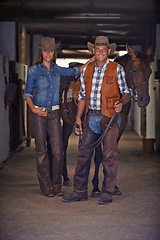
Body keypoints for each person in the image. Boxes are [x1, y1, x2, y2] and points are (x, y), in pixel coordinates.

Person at [63, 36, 131, 205]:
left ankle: (107, 193)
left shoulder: (117, 69)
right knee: (83, 155)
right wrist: (79, 118)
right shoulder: (87, 70)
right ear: (93, 51)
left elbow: (127, 93)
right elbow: (82, 97)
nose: (101, 52)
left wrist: (121, 104)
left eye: (104, 49)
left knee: (109, 156)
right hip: (91, 118)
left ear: (109, 51)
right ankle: (79, 191)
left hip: (109, 118)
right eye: (98, 49)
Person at [23, 36, 94, 197]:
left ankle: (57, 185)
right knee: (41, 151)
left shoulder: (57, 70)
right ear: (41, 52)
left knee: (58, 149)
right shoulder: (33, 71)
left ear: (54, 52)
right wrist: (33, 109)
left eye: (51, 51)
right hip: (38, 114)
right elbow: (27, 93)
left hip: (54, 113)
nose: (48, 53)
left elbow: (78, 70)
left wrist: (94, 57)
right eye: (46, 50)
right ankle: (45, 186)